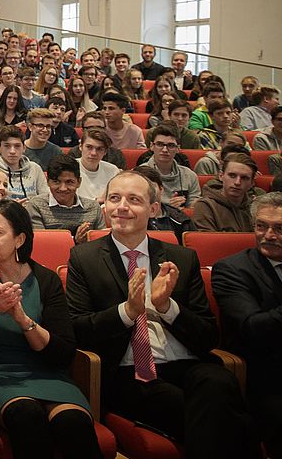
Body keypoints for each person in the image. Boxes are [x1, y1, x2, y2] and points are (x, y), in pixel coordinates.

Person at [66, 171, 256, 456]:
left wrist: (168, 307)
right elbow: (78, 329)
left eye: (134, 200)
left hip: (186, 363)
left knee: (219, 381)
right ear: (104, 205)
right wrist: (128, 311)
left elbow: (207, 336)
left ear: (154, 209)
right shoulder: (84, 258)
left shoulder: (180, 257)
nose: (122, 207)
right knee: (229, 419)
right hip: (130, 371)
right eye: (114, 198)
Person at [0, 199, 102, 459]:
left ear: (19, 239)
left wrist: (23, 320)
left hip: (49, 375)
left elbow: (63, 352)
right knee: (27, 416)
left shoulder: (46, 279)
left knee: (73, 425)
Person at [211, 191, 282, 459]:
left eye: (279, 228)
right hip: (266, 376)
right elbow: (253, 327)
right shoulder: (232, 269)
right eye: (261, 226)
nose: (268, 235)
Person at [27, 156, 104, 243]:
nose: (63, 188)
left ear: (79, 182)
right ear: (48, 181)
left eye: (69, 182)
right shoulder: (36, 206)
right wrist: (74, 241)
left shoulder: (93, 207)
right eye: (56, 182)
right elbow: (41, 244)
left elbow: (103, 245)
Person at [0, 126, 49, 201]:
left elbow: (45, 198)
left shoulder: (35, 168)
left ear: (24, 148)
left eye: (17, 146)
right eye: (7, 146)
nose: (12, 151)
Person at [138, 124, 201, 208]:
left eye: (170, 145)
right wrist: (168, 208)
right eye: (160, 144)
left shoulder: (190, 176)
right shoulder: (139, 175)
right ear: (152, 146)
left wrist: (192, 206)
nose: (164, 150)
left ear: (178, 149)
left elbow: (193, 208)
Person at [191, 154, 256, 232]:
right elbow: (207, 242)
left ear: (252, 183)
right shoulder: (206, 206)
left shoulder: (256, 208)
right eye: (232, 175)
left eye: (244, 178)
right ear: (221, 176)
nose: (237, 182)